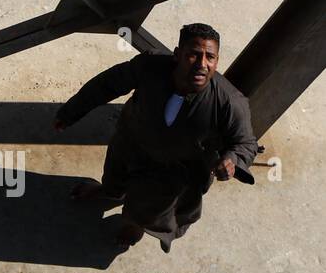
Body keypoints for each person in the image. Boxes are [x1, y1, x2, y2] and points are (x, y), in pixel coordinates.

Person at [56, 23, 258, 252]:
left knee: (145, 210)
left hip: (173, 169)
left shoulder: (229, 101)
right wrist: (71, 112)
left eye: (210, 57)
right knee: (114, 176)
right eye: (193, 54)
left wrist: (233, 160)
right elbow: (109, 83)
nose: (202, 64)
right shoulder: (150, 66)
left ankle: (134, 226)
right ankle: (110, 192)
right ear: (177, 54)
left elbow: (245, 143)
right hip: (131, 142)